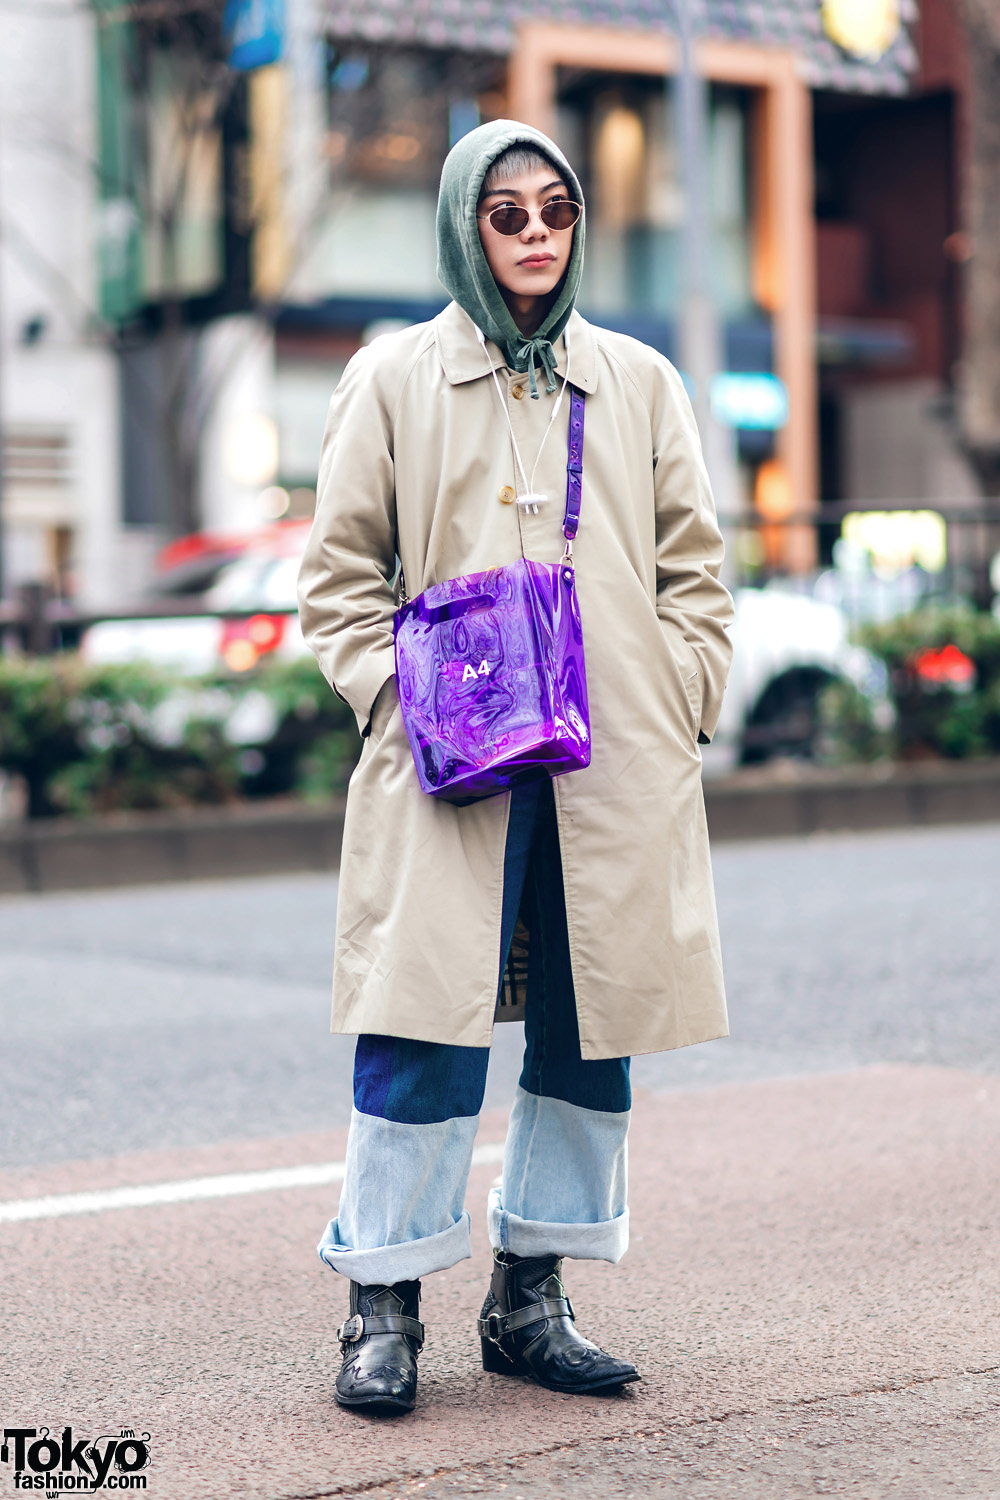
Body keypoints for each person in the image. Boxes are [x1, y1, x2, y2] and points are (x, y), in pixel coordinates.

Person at [297, 119, 734, 1414]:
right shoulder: (391, 382)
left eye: (556, 209)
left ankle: (531, 1296)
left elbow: (697, 577)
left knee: (590, 1035)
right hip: (453, 777)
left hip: (615, 779)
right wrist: (406, 709)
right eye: (508, 214)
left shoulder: (641, 381)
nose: (537, 233)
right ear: (463, 226)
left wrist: (682, 701)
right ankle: (383, 1305)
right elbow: (334, 587)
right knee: (418, 1034)